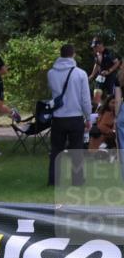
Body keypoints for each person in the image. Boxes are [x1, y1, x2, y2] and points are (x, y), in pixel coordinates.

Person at [47, 43, 92, 187]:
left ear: (60, 54)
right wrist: (88, 116)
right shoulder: (80, 73)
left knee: (56, 150)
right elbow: (85, 99)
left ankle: (53, 180)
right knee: (77, 150)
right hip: (75, 116)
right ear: (73, 54)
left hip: (58, 117)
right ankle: (77, 180)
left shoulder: (51, 73)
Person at [89, 38, 121, 109]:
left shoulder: (109, 52)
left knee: (110, 96)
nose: (94, 48)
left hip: (111, 76)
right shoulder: (96, 54)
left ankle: (110, 111)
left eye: (96, 46)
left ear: (101, 45)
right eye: (94, 47)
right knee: (96, 94)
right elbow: (97, 64)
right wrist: (92, 75)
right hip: (100, 76)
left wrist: (109, 71)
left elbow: (117, 62)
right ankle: (101, 107)